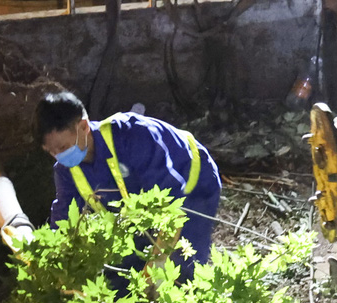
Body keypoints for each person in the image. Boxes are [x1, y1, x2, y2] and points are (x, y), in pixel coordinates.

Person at [39, 90, 221, 272]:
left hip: (191, 183)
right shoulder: (65, 171)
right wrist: (51, 253)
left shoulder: (133, 135)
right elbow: (65, 218)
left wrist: (157, 264)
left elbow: (172, 202)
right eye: (51, 151)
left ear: (84, 127)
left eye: (62, 147)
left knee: (180, 265)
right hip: (139, 212)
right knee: (122, 272)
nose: (59, 156)